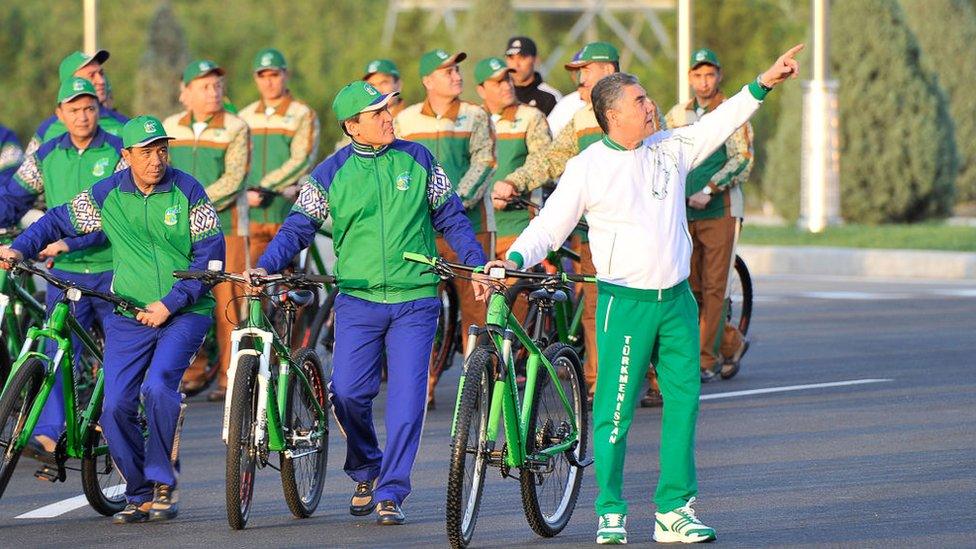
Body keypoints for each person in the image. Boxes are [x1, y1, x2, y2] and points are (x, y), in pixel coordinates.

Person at [486, 45, 803, 545]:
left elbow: (720, 122)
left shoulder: (671, 147)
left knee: (684, 403)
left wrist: (765, 80)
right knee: (614, 411)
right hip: (625, 305)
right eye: (640, 101)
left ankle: (673, 510)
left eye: (648, 98)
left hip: (676, 302)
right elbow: (549, 226)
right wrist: (516, 260)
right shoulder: (589, 166)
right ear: (613, 114)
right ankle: (610, 510)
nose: (650, 105)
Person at [248, 81, 487, 525]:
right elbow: (298, 226)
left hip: (415, 298)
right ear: (353, 127)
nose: (387, 117)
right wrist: (266, 265)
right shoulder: (329, 173)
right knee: (348, 395)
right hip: (358, 299)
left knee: (406, 401)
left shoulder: (419, 159)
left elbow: (451, 216)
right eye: (377, 114)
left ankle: (392, 490)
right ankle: (366, 467)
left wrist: (474, 263)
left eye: (387, 109)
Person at [0, 115, 225, 523]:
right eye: (146, 152)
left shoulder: (187, 190)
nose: (156, 160)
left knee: (158, 388)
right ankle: (138, 494)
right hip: (130, 312)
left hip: (184, 312)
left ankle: (162, 482)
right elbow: (56, 220)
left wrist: (171, 303)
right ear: (127, 156)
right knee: (115, 407)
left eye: (162, 150)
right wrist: (19, 249)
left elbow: (211, 257)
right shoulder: (109, 195)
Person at [491, 41, 636, 405]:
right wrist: (516, 181)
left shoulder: (640, 108)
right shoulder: (584, 117)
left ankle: (649, 375)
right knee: (594, 307)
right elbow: (552, 159)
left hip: (639, 235)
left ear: (608, 70)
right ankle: (597, 381)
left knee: (639, 307)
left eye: (584, 71)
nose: (580, 79)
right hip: (595, 234)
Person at [0, 77, 123, 460]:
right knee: (54, 349)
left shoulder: (121, 152)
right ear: (59, 114)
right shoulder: (46, 155)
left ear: (98, 110)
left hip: (114, 271)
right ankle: (50, 434)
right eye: (73, 110)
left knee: (123, 358)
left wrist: (71, 241)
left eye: (89, 108)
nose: (83, 116)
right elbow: (13, 199)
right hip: (64, 273)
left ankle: (127, 429)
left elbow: (119, 215)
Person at [394, 49, 494, 387]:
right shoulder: (404, 120)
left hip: (470, 228)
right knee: (422, 307)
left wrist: (452, 201)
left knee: (476, 308)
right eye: (446, 70)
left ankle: (477, 382)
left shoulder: (475, 115)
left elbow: (484, 163)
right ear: (427, 81)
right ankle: (425, 382)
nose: (456, 75)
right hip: (422, 233)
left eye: (457, 69)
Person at [164, 59, 250, 401]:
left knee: (228, 305)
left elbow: (235, 178)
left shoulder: (236, 126)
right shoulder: (170, 126)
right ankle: (192, 371)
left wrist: (190, 202)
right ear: (185, 93)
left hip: (227, 226)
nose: (213, 92)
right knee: (184, 299)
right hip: (179, 230)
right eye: (204, 86)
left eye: (217, 85)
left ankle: (230, 378)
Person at [666, 48, 751, 384]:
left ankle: (705, 359)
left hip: (721, 210)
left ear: (719, 76)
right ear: (689, 78)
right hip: (683, 213)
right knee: (691, 287)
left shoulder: (730, 111)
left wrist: (711, 189)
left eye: (710, 74)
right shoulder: (678, 114)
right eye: (697, 75)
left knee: (716, 287)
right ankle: (731, 343)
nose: (704, 81)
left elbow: (743, 159)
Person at [238, 47, 320, 286]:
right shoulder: (245, 116)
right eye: (262, 75)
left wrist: (263, 187)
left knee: (291, 290)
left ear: (285, 75)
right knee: (252, 284)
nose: (269, 82)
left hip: (287, 213)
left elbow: (302, 159)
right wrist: (245, 192)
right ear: (255, 78)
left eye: (274, 75)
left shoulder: (303, 114)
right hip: (252, 216)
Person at [28, 50, 128, 154]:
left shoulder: (124, 126)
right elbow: (30, 165)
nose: (101, 81)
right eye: (92, 75)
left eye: (101, 73)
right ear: (72, 83)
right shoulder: (46, 130)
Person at [504, 36, 562, 115]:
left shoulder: (550, 97)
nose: (516, 64)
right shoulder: (503, 94)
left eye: (522, 58)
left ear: (535, 60)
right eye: (511, 58)